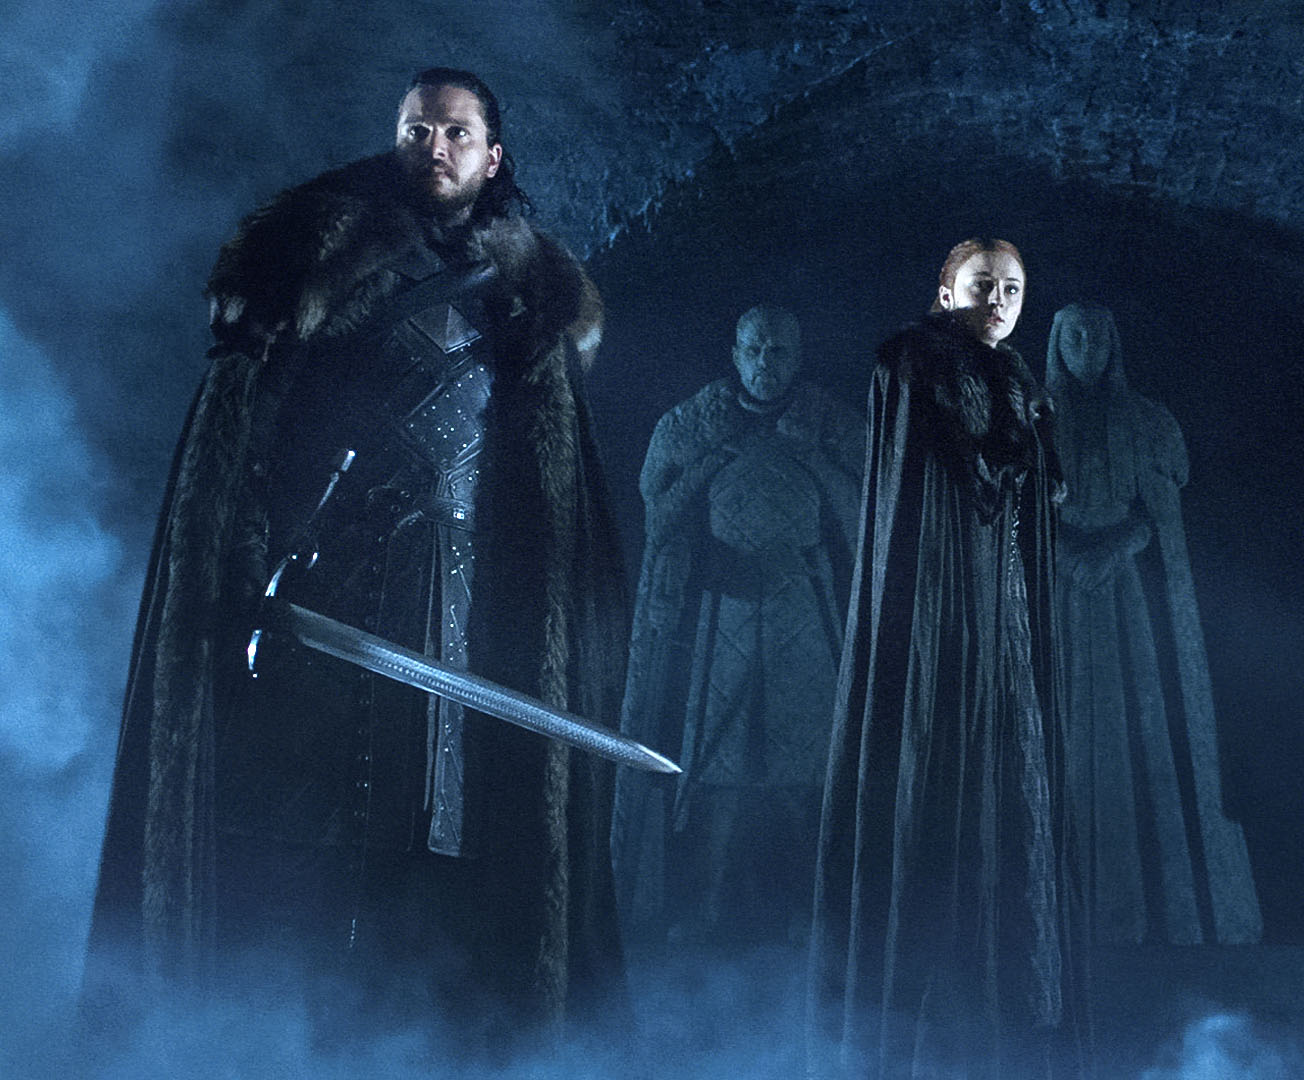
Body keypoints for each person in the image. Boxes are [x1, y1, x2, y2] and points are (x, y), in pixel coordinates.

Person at [88, 68, 627, 1043]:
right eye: (417, 130)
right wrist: (245, 569)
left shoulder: (530, 297)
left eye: (456, 133)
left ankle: (433, 1042)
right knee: (313, 846)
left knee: (445, 853)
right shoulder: (314, 262)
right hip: (330, 598)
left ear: (492, 157)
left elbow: (547, 494)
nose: (435, 147)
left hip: (465, 617)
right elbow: (250, 441)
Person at [808, 239, 1086, 1077]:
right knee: (933, 790)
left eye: (1012, 289)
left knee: (1008, 793)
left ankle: (1001, 1010)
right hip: (933, 619)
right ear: (945, 289)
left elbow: (1033, 491)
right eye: (983, 285)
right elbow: (933, 489)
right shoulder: (912, 363)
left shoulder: (1018, 378)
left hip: (1001, 622)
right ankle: (925, 1018)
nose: (998, 301)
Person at [613, 305, 862, 949]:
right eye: (753, 349)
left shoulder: (829, 424)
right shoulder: (695, 424)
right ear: (735, 353)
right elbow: (659, 510)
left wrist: (812, 460)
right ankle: (701, 913)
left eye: (778, 351)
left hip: (803, 611)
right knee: (715, 769)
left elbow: (867, 512)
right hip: (722, 614)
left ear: (797, 357)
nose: (764, 363)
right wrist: (709, 469)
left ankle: (815, 917)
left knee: (807, 770)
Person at [1044, 303, 1262, 946]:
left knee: (1143, 726)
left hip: (1124, 592)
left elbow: (1159, 513)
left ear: (1113, 343)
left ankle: (1152, 910)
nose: (1087, 347)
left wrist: (1114, 548)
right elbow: (1018, 508)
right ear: (1057, 342)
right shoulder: (1032, 417)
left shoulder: (1145, 421)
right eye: (1075, 335)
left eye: (1097, 335)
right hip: (1059, 591)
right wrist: (1068, 556)